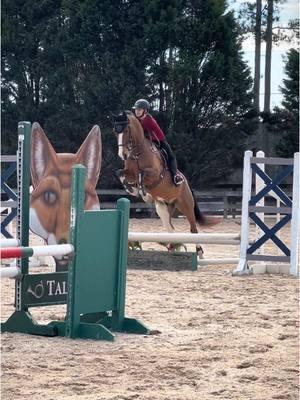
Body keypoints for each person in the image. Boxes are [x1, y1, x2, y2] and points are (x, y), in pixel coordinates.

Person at [133, 99, 184, 186]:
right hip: (148, 142)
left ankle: (175, 175)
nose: (137, 111)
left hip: (159, 141)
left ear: (145, 111)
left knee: (171, 156)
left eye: (139, 109)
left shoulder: (148, 120)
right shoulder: (137, 120)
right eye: (136, 109)